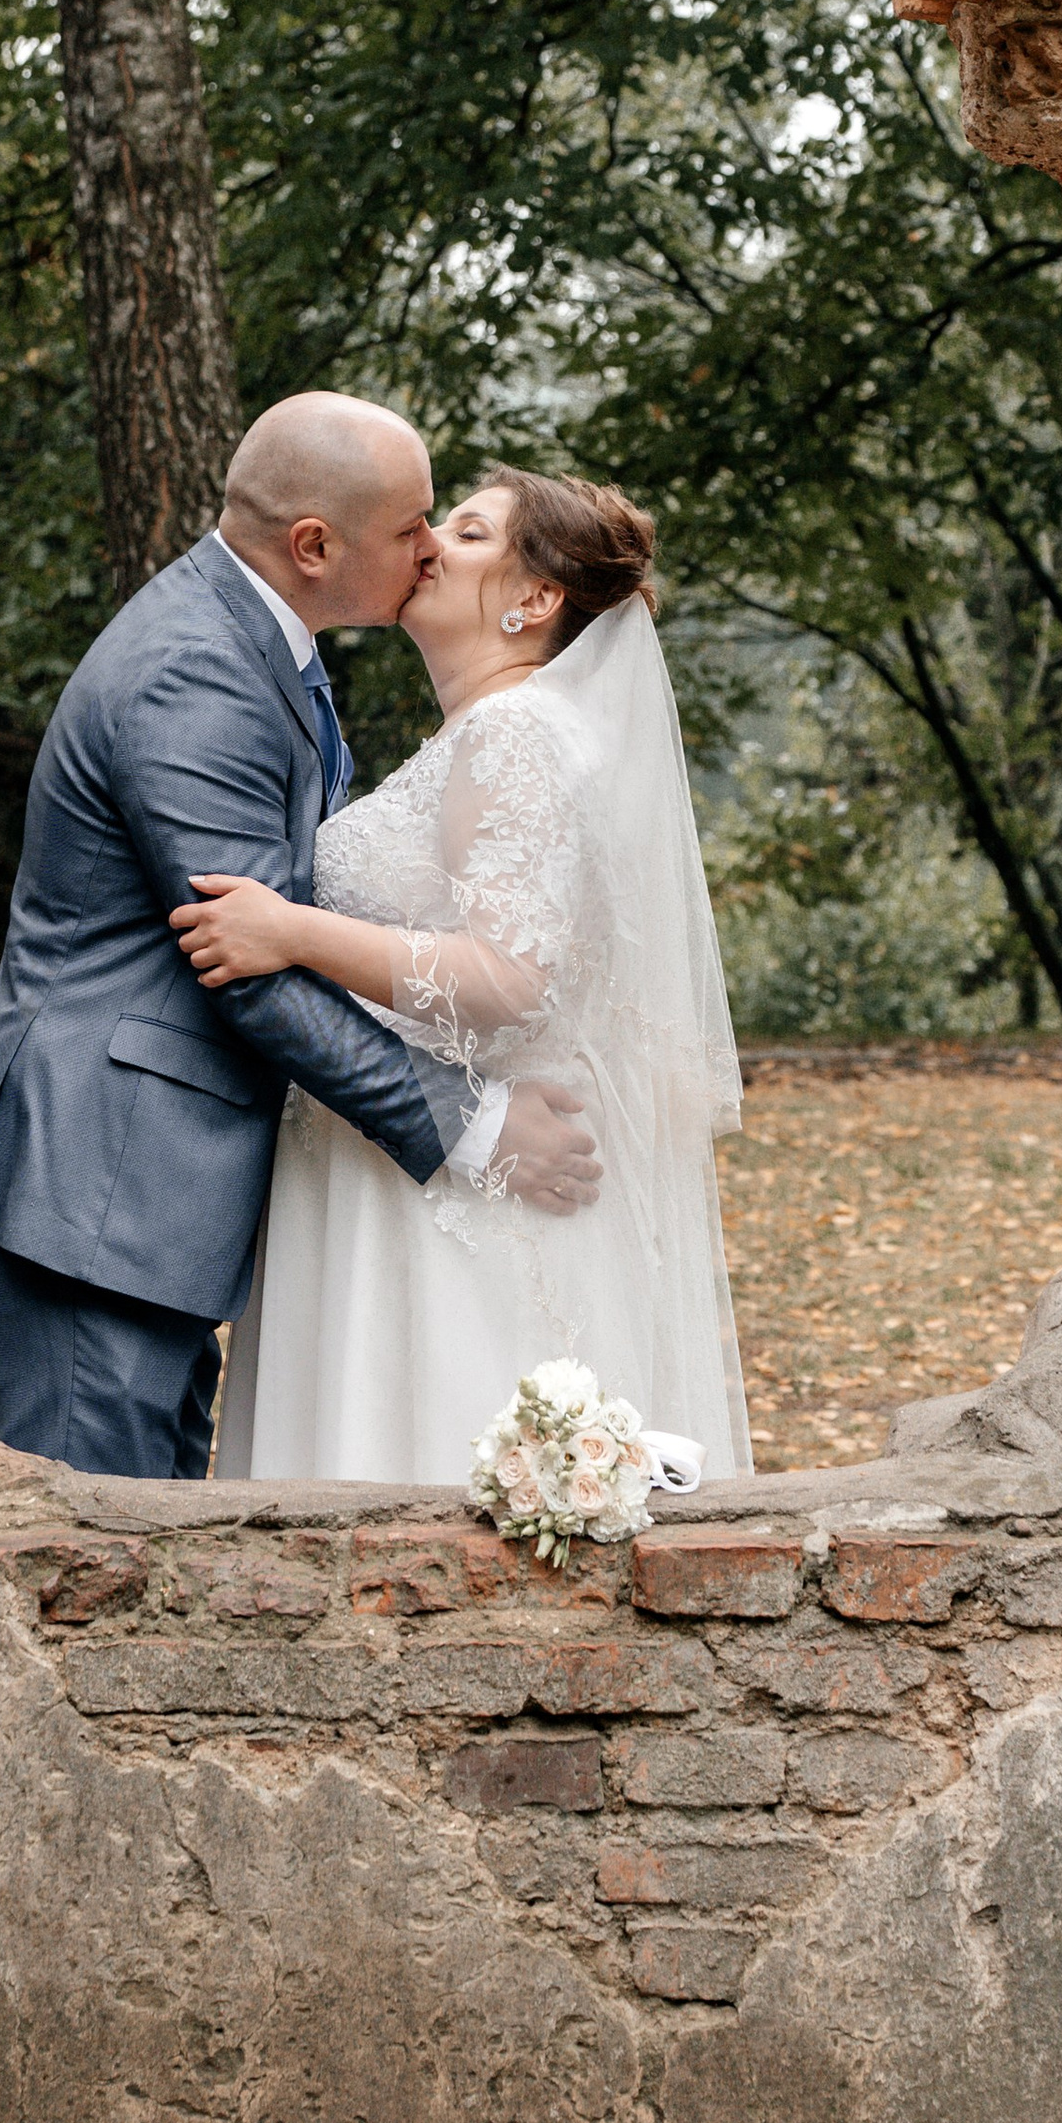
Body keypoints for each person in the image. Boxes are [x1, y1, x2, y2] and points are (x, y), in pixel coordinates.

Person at [0, 395, 604, 1478]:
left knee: (148, 1558)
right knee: (91, 1566)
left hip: (149, 1205)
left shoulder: (260, 644)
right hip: (95, 1187)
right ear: (314, 545)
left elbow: (282, 933)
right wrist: (471, 1126)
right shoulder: (194, 669)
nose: (427, 548)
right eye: (410, 526)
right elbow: (243, 970)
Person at [188, 468, 751, 1481]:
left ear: (534, 600)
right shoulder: (487, 734)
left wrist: (292, 931)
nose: (432, 542)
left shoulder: (517, 733)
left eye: (471, 529)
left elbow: (507, 978)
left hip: (451, 1202)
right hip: (406, 1162)